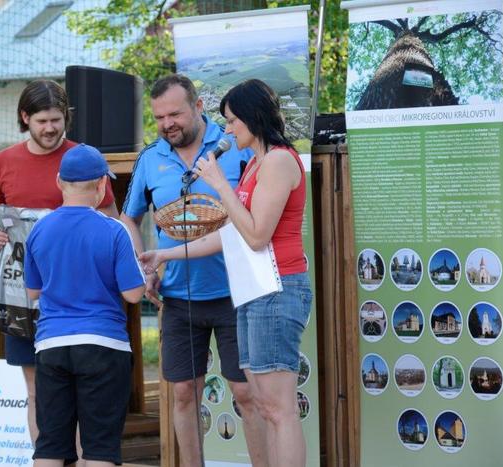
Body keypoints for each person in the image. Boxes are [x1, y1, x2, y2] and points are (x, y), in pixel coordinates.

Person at [140, 79, 313, 467]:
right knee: (265, 404)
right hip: (253, 290)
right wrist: (165, 254)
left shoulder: (279, 161)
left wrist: (219, 183)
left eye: (233, 121)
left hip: (277, 287)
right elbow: (233, 233)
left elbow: (256, 235)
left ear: (253, 117)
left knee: (278, 408)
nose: (229, 130)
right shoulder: (256, 164)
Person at [120, 74, 266, 466]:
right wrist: (143, 267)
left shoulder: (234, 145)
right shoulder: (150, 158)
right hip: (178, 297)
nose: (167, 123)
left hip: (237, 292)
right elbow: (128, 218)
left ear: (198, 107)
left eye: (175, 114)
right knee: (184, 392)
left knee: (247, 393)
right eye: (159, 117)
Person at [0, 79, 119, 448]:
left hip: (77, 296)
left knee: (78, 392)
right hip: (22, 294)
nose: (50, 128)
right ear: (25, 117)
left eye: (56, 120)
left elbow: (110, 216)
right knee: (35, 390)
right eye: (42, 121)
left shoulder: (83, 158)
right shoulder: (4, 161)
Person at [24, 144, 145, 467]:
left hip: (51, 345)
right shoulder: (114, 230)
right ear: (102, 184)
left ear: (59, 182)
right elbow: (133, 294)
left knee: (50, 446)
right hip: (103, 345)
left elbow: (33, 291)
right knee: (99, 448)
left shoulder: (39, 229)